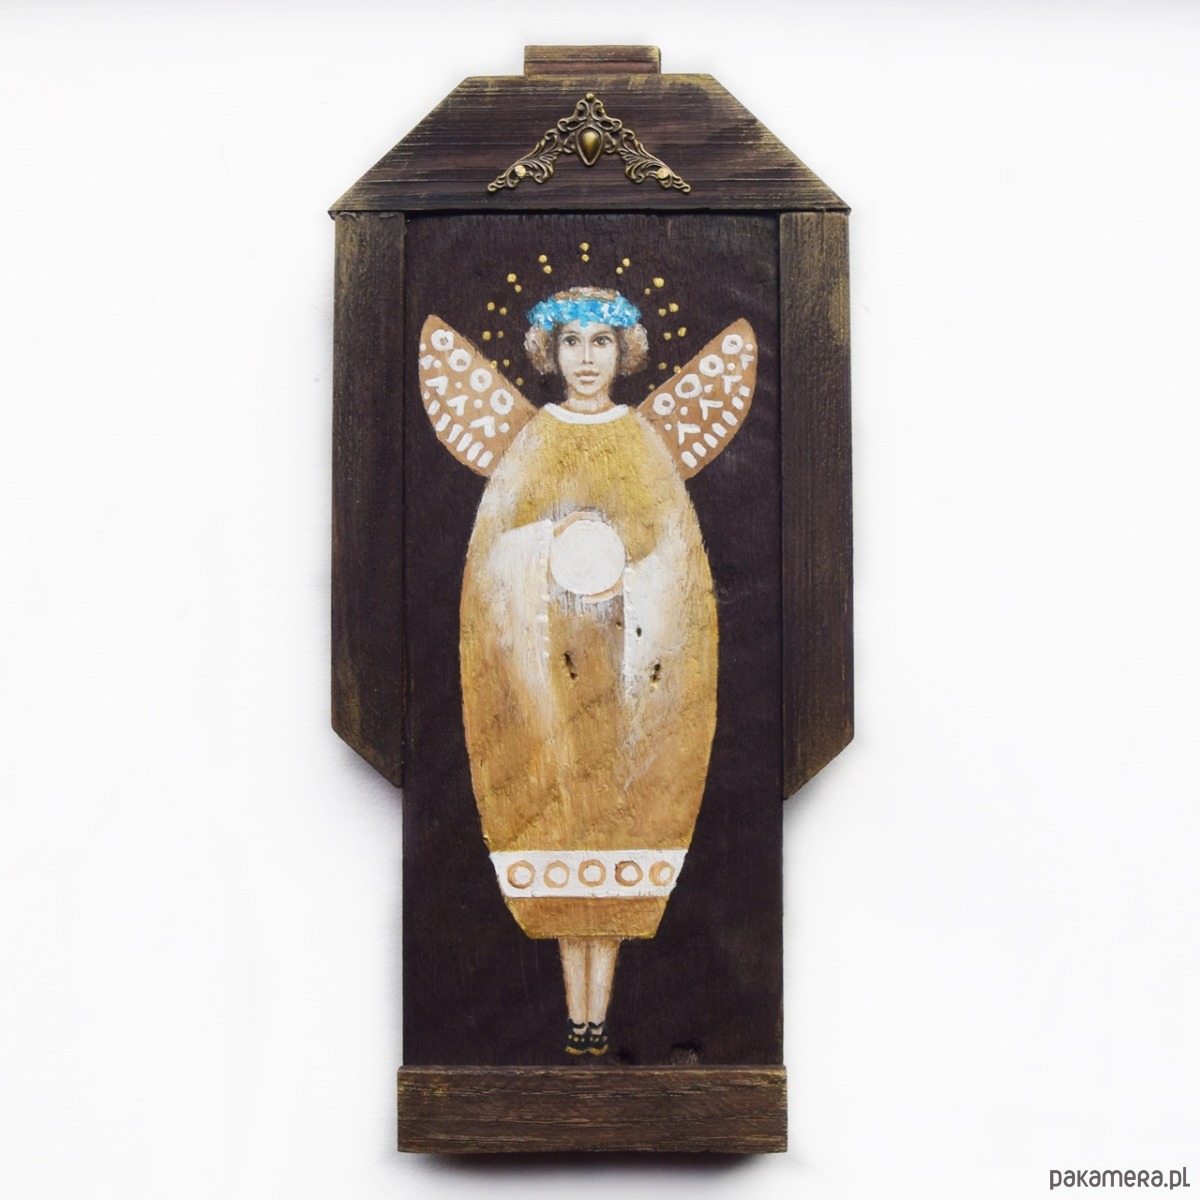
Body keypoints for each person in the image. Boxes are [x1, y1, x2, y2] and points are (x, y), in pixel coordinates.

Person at [457, 287, 718, 1056]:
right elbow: (494, 553)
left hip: (626, 676)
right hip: (546, 673)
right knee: (561, 819)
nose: (586, 359)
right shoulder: (532, 442)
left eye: (601, 343)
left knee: (615, 824)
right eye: (571, 342)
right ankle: (580, 1021)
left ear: (623, 352)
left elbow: (674, 556)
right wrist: (552, 547)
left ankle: (596, 1019)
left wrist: (621, 562)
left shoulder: (642, 443)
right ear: (550, 352)